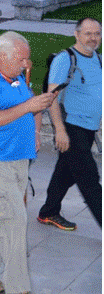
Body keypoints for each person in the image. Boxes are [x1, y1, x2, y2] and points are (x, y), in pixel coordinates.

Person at [0, 32, 56, 294]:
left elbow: (29, 109)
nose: (27, 63)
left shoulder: (16, 79)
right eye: (22, 58)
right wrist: (29, 105)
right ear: (2, 56)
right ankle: (19, 288)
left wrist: (35, 128)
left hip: (19, 159)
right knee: (14, 221)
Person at [37, 18, 102, 230]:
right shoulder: (66, 59)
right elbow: (51, 96)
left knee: (66, 172)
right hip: (72, 128)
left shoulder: (98, 59)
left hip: (89, 128)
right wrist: (60, 130)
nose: (93, 38)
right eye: (88, 33)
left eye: (97, 34)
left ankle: (48, 212)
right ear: (77, 34)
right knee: (90, 180)